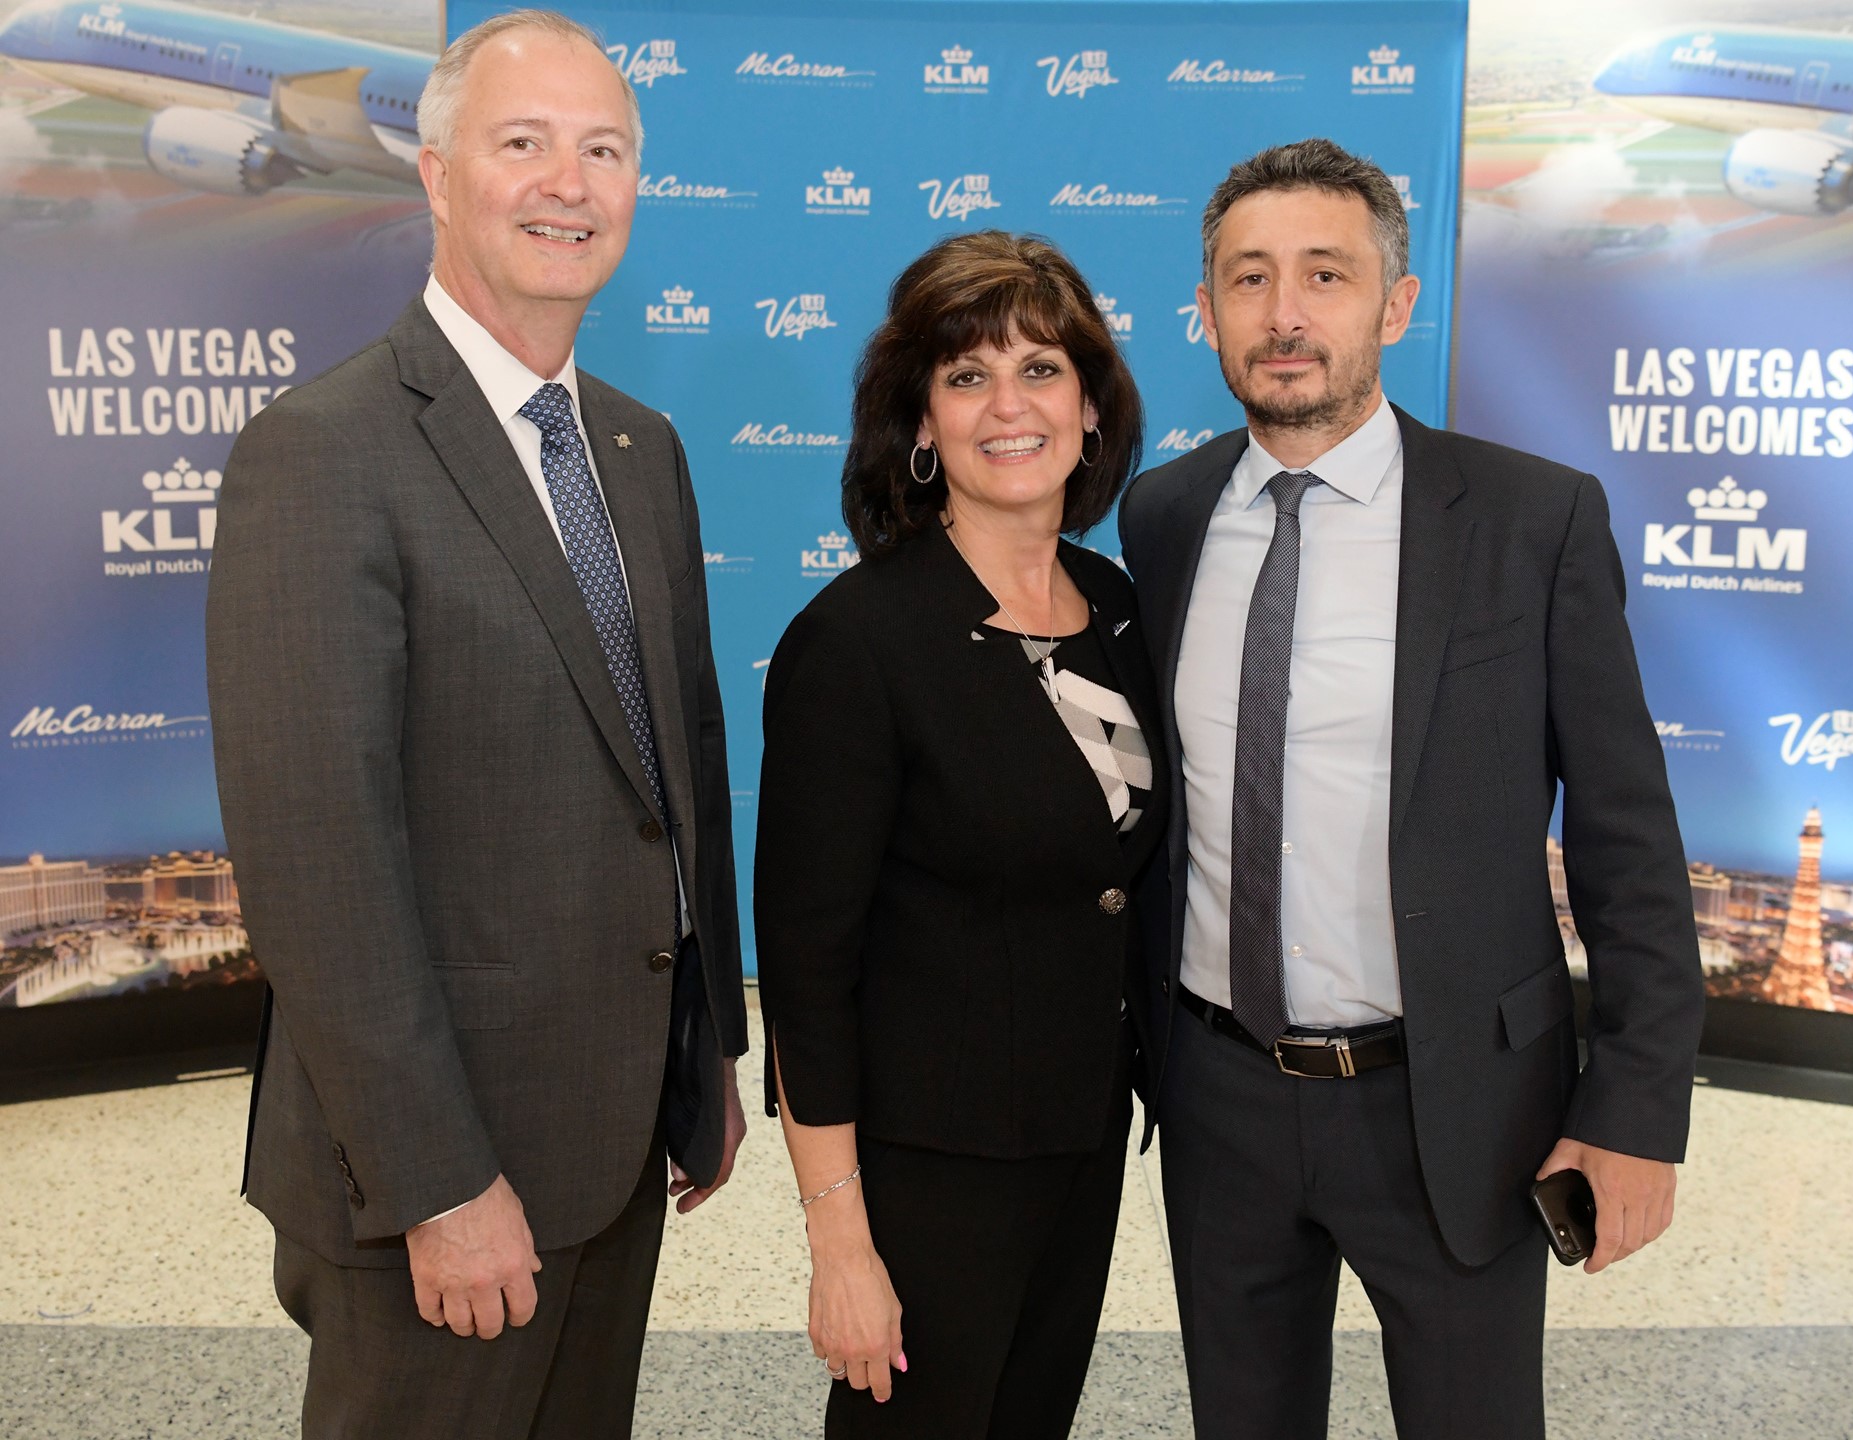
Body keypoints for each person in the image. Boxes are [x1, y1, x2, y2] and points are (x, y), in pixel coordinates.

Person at [204, 12, 747, 1437]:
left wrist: (707, 1057)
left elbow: (678, 765)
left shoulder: (639, 446)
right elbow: (318, 866)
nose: (569, 183)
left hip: (617, 1139)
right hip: (436, 1182)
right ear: (439, 177)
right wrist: (440, 1180)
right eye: (524, 144)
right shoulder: (324, 452)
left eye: (604, 149)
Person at [1118, 139, 1705, 1439]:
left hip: (1456, 1106)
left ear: (1394, 302)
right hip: (1219, 1101)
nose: (1284, 315)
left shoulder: (1529, 521)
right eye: (1248, 278)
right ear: (1204, 309)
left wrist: (1639, 1112)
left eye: (1325, 274)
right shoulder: (1159, 517)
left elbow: (1626, 837)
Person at [754, 230, 1166, 1438]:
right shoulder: (859, 641)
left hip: (1083, 1141)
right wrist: (841, 1243)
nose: (1009, 406)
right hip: (927, 1168)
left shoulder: (1120, 610)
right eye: (968, 376)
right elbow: (810, 973)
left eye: (1042, 370)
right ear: (920, 424)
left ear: (1091, 410)